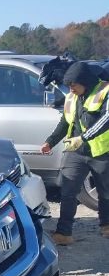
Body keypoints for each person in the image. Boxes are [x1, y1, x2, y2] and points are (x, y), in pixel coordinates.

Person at [41, 61, 109, 245]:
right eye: (68, 85)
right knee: (68, 191)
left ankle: (106, 225)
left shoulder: (105, 91)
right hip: (76, 152)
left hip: (102, 152)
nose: (70, 89)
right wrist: (50, 141)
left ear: (85, 81)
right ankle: (64, 232)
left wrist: (84, 137)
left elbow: (106, 119)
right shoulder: (72, 96)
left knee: (106, 192)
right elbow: (65, 121)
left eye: (73, 85)